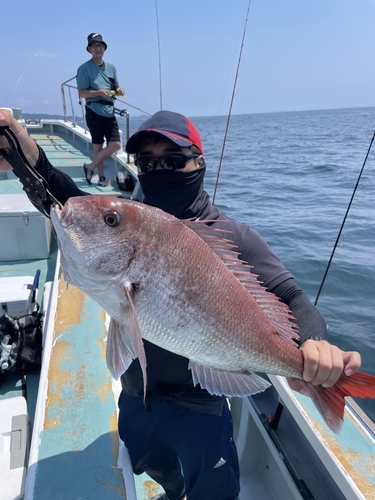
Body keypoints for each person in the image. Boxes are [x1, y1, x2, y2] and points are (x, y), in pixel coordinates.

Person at [0, 108, 361, 500]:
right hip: (138, 395)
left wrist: (312, 342)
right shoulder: (136, 219)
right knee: (151, 464)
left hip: (201, 403)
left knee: (213, 488)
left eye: (173, 161)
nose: (159, 170)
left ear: (198, 162)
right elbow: (66, 201)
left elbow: (292, 297)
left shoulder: (234, 235)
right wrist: (21, 142)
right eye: (148, 163)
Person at [76, 33, 125, 186]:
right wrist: (98, 92)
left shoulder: (111, 68)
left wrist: (119, 91)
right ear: (89, 49)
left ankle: (90, 167)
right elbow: (82, 92)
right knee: (98, 145)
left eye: (101, 45)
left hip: (109, 111)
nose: (98, 48)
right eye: (95, 45)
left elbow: (115, 87)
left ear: (104, 48)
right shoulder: (84, 68)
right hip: (94, 110)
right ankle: (102, 176)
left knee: (115, 144)